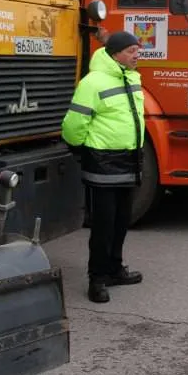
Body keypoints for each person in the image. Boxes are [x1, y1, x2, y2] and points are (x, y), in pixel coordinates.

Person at [63, 30, 147, 304]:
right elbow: (73, 125)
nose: (137, 55)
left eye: (138, 50)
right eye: (131, 51)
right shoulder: (92, 82)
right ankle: (97, 279)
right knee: (103, 225)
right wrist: (82, 149)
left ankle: (114, 269)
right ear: (115, 54)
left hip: (129, 160)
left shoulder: (132, 78)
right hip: (103, 163)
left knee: (121, 221)